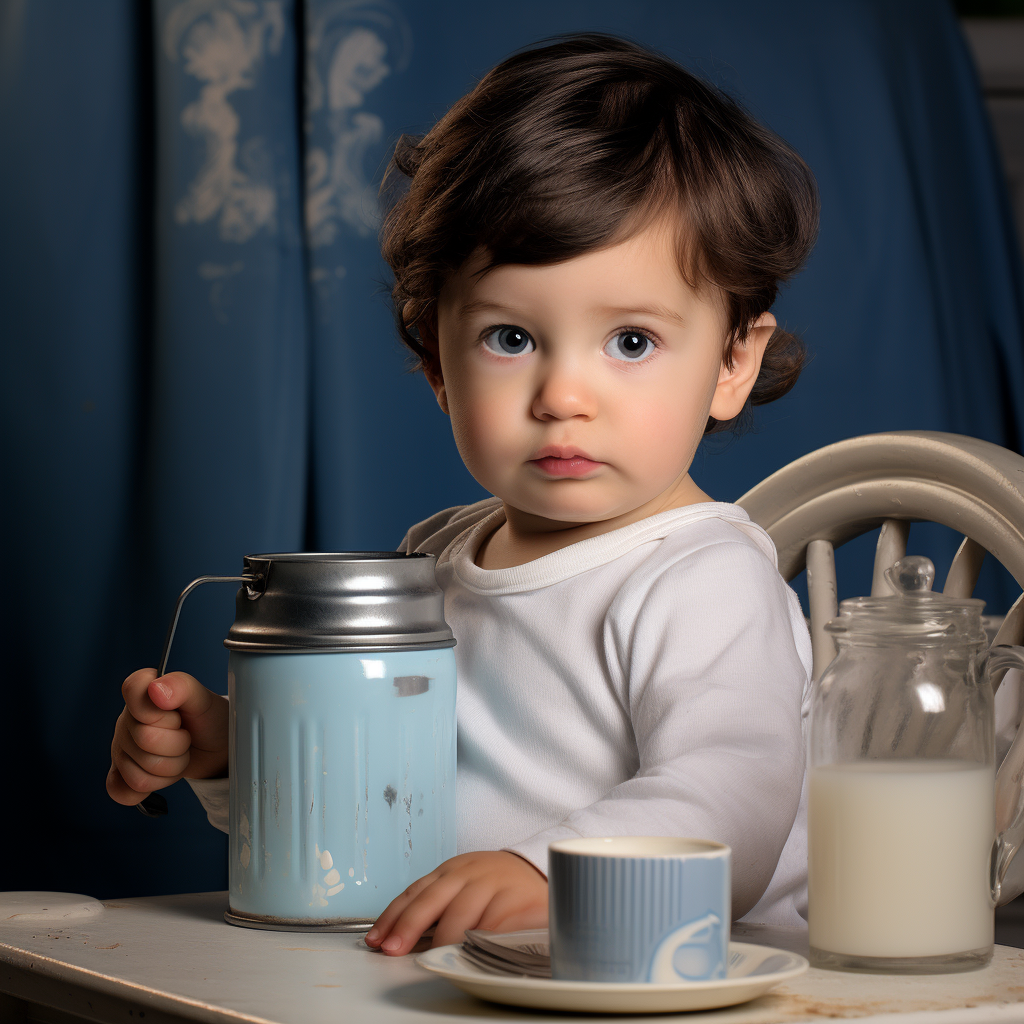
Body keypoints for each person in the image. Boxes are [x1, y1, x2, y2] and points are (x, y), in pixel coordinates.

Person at [107, 33, 818, 955]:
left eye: (631, 342)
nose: (564, 396)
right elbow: (384, 801)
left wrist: (542, 873)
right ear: (435, 362)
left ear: (732, 363)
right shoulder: (437, 552)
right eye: (511, 339)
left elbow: (734, 805)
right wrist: (235, 754)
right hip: (461, 978)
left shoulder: (701, 578)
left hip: (678, 974)